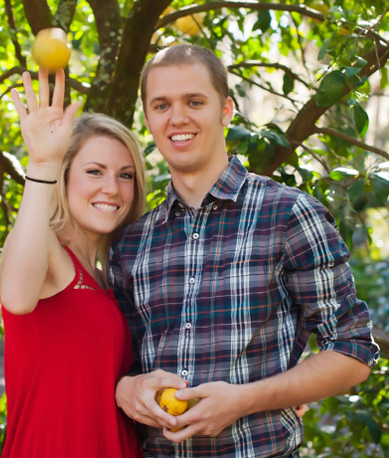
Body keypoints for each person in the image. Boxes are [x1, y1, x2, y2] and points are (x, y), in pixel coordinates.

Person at [110, 44, 379, 456]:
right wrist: (127, 389)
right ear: (147, 118)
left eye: (194, 101)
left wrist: (245, 399)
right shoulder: (132, 242)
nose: (177, 117)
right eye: (161, 105)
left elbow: (352, 350)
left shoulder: (289, 215)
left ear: (226, 110)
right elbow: (120, 363)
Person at [0, 68, 147, 457]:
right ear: (63, 178)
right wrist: (42, 163)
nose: (111, 187)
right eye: (94, 171)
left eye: (125, 175)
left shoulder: (108, 279)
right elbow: (16, 298)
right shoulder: (45, 247)